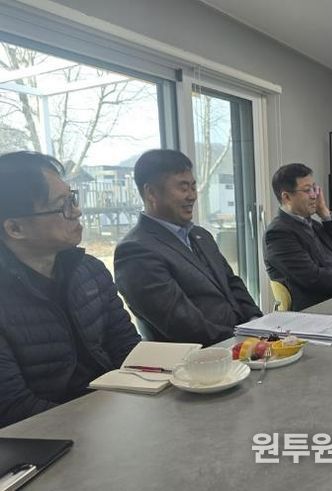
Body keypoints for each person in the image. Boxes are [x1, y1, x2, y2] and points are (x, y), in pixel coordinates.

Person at [0, 151, 140, 428]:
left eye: (72, 198)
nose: (76, 211)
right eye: (62, 206)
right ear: (15, 228)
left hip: (115, 413)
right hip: (46, 437)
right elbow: (14, 408)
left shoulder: (89, 270)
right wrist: (98, 429)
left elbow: (127, 349)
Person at [114, 149, 262, 345]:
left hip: (242, 344)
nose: (192, 196)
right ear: (151, 193)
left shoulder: (201, 236)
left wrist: (257, 323)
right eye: (183, 188)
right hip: (204, 355)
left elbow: (232, 283)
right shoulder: (135, 251)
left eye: (193, 187)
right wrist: (243, 341)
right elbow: (183, 326)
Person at [265, 163, 332, 311]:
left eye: (314, 189)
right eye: (307, 190)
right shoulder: (278, 233)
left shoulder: (312, 224)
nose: (314, 196)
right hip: (315, 308)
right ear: (286, 197)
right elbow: (312, 278)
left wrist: (324, 213)